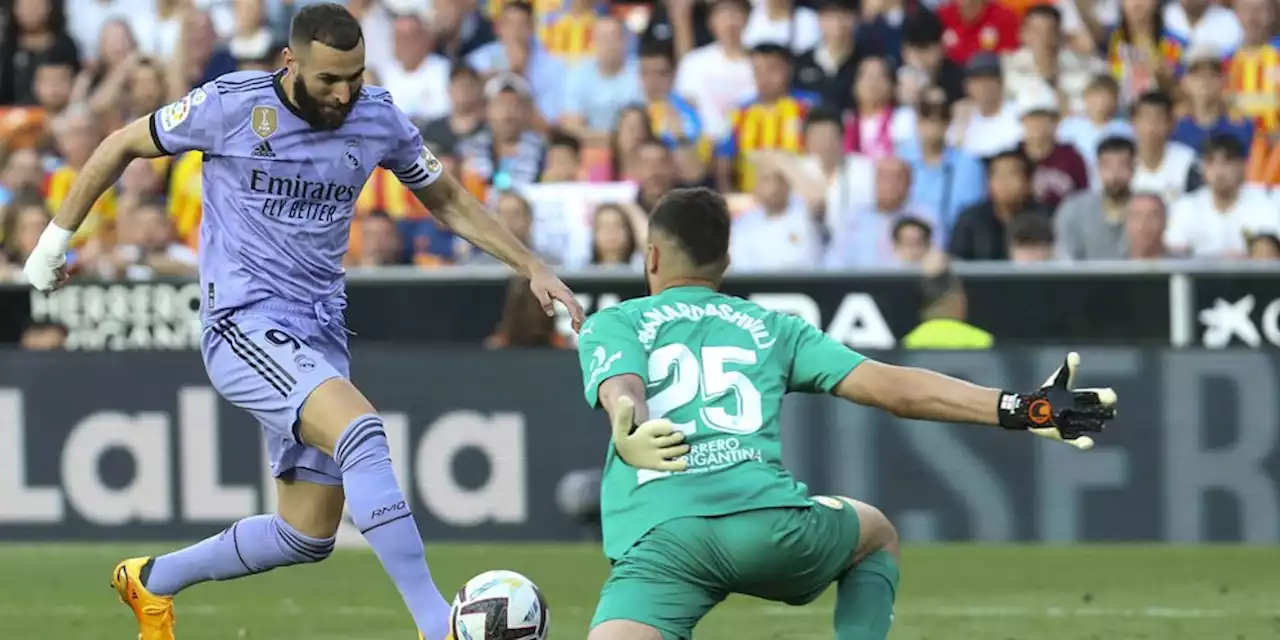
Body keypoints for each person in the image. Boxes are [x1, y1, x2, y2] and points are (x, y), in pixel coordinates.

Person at [19, 5, 585, 640]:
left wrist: (531, 265)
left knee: (307, 533)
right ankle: (437, 626)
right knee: (362, 432)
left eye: (355, 76)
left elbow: (446, 197)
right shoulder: (231, 106)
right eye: (328, 81)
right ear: (290, 63)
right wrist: (51, 245)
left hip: (318, 332)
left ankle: (152, 580)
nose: (344, 93)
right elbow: (121, 143)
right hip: (243, 324)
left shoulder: (377, 116)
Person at [574, 186, 1117, 640]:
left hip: (663, 539)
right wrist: (1018, 407)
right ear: (726, 264)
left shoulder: (613, 322)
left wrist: (632, 424)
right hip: (769, 529)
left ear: (650, 257)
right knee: (874, 533)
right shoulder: (772, 327)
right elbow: (893, 388)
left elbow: (623, 385)